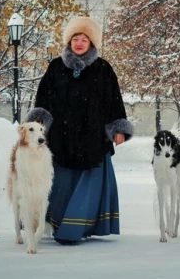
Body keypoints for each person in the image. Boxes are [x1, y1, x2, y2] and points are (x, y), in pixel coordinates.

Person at [24, 16, 133, 245]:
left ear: (92, 43)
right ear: (69, 41)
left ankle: (74, 230)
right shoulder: (56, 67)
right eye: (76, 38)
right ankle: (58, 225)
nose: (80, 43)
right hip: (61, 138)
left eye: (85, 39)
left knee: (87, 185)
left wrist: (118, 129)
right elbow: (43, 99)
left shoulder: (103, 69)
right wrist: (39, 128)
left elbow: (114, 100)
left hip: (93, 138)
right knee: (61, 183)